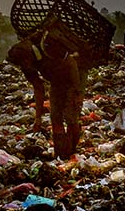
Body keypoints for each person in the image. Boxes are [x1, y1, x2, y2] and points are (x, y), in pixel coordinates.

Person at [7, 21, 84, 159]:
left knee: (71, 118)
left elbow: (72, 64)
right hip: (56, 82)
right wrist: (37, 118)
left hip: (73, 80)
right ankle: (61, 155)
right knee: (55, 117)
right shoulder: (27, 65)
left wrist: (77, 91)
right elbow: (38, 89)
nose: (24, 65)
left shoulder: (48, 45)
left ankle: (72, 151)